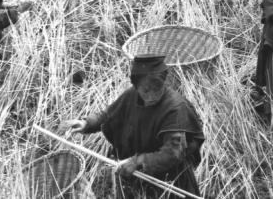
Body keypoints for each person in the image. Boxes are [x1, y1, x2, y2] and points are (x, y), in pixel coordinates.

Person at [64, 55, 205, 199]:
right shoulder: (131, 95)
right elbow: (108, 114)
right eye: (146, 90)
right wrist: (87, 124)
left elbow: (172, 154)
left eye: (157, 88)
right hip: (138, 173)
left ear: (164, 82)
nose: (152, 95)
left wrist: (138, 161)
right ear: (136, 86)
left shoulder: (175, 108)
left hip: (171, 178)